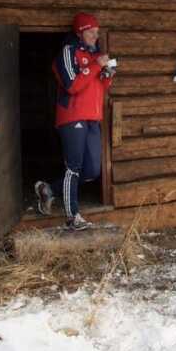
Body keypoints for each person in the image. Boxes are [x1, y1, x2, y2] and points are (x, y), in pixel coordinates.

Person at [34, 12, 114, 230]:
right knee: (74, 167)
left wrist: (107, 74)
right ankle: (72, 218)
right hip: (72, 117)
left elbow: (100, 87)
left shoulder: (94, 55)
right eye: (92, 32)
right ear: (81, 31)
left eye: (97, 33)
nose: (95, 36)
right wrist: (96, 66)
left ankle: (48, 189)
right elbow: (72, 85)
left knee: (92, 170)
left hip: (92, 118)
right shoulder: (67, 53)